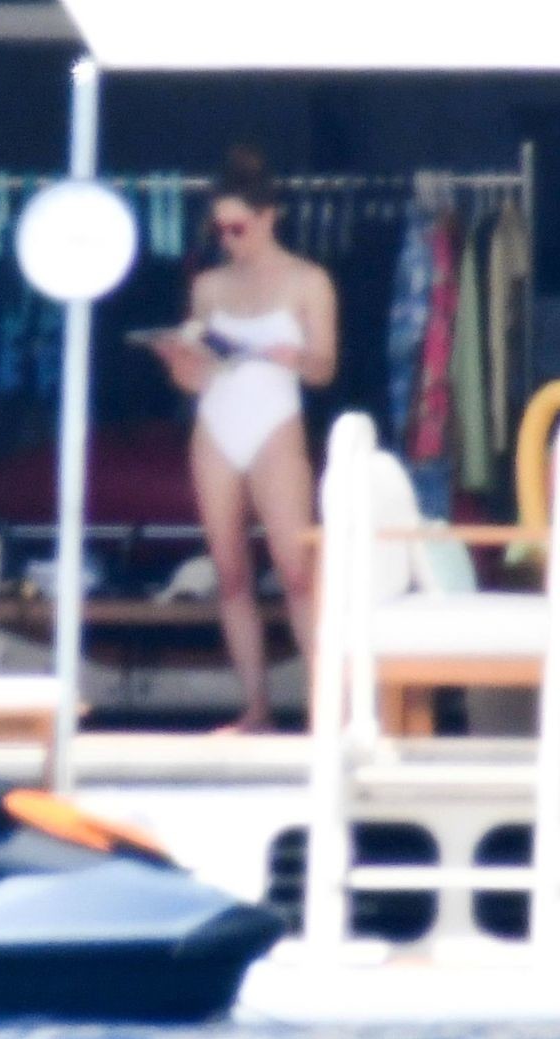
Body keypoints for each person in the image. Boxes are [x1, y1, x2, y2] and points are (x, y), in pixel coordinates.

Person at [152, 146, 338, 734]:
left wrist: (295, 357)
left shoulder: (308, 280)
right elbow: (197, 376)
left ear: (267, 217)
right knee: (231, 574)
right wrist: (179, 363)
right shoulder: (209, 285)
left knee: (297, 570)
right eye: (220, 230)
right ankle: (256, 707)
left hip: (276, 423)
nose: (229, 239)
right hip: (217, 424)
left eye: (238, 228)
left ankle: (328, 707)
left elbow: (325, 368)